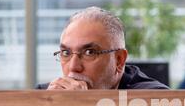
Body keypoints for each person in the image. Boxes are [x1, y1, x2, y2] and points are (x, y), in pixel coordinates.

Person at [36, 7, 169, 90]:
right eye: (66, 53)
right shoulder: (45, 95)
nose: (73, 67)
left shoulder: (156, 100)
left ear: (119, 60)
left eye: (89, 52)